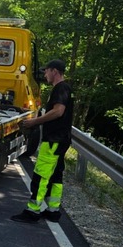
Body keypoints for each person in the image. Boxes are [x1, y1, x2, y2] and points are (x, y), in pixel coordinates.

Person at [12, 59, 73, 223]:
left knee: (41, 176)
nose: (45, 74)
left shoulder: (61, 88)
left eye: (46, 71)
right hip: (61, 140)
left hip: (53, 140)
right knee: (56, 176)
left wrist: (35, 122)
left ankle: (33, 211)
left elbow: (58, 111)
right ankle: (53, 211)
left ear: (54, 71)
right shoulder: (64, 88)